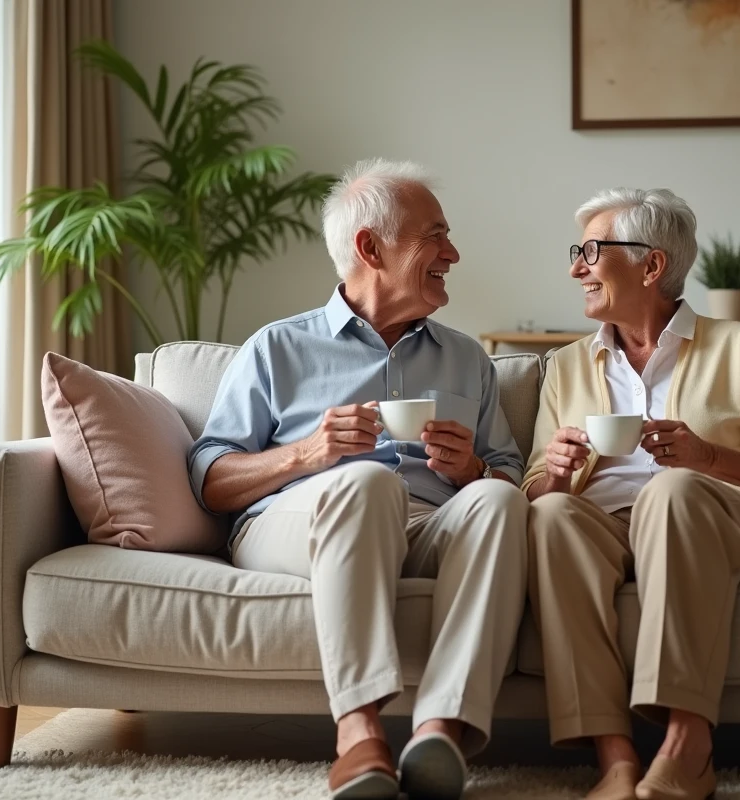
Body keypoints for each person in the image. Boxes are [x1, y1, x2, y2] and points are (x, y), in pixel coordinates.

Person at [189, 159, 528, 800]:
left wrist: (474, 469)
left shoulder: (465, 358)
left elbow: (511, 475)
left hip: (426, 523)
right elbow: (212, 476)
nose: (452, 254)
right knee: (368, 483)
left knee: (496, 503)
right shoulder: (276, 348)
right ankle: (359, 734)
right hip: (299, 522)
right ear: (370, 247)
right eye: (436, 236)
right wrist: (306, 454)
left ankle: (441, 731)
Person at [523, 189, 740, 800]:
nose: (575, 268)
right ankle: (614, 757)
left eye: (590, 251)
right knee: (553, 516)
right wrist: (556, 472)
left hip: (731, 522)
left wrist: (708, 458)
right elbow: (533, 489)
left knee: (673, 490)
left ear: (650, 265)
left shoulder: (737, 345)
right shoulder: (566, 366)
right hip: (608, 524)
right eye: (575, 252)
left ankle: (689, 745)